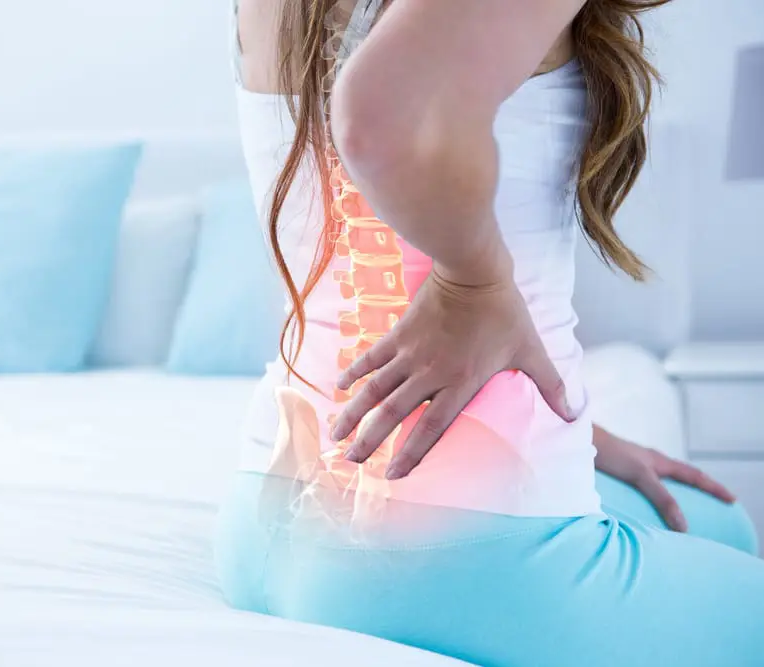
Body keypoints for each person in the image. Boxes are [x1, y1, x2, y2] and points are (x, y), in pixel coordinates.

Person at [214, 1, 764, 665]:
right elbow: (384, 116)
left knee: (719, 520)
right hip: (447, 558)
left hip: (264, 523)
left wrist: (571, 427)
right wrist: (472, 283)